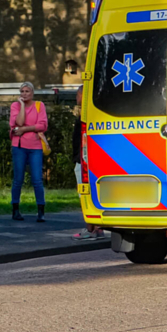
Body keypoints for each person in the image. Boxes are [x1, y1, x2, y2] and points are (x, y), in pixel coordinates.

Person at [10, 82, 49, 222]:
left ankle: (41, 210)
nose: (24, 94)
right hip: (19, 146)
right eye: (22, 91)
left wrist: (25, 129)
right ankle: (15, 210)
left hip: (35, 146)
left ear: (32, 93)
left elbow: (42, 125)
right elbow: (18, 123)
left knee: (37, 179)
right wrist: (21, 106)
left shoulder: (39, 106)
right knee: (18, 179)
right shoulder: (15, 106)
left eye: (27, 91)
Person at [72, 86, 104, 240]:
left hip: (83, 160)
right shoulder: (95, 114)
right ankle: (97, 228)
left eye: (78, 95)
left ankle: (90, 229)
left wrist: (79, 158)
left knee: (85, 194)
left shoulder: (85, 116)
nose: (76, 98)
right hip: (91, 160)